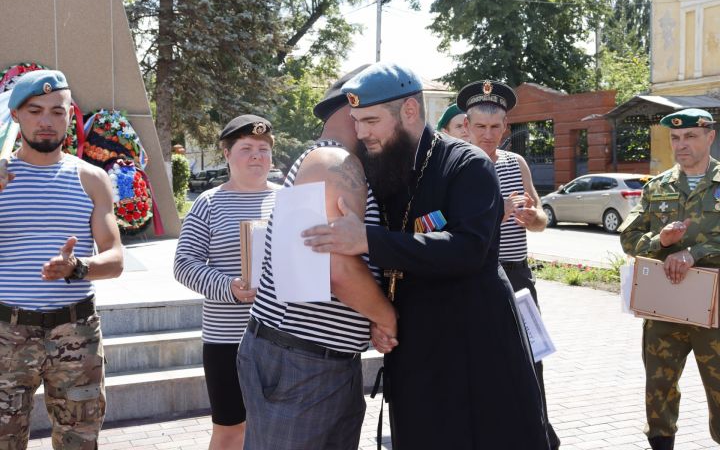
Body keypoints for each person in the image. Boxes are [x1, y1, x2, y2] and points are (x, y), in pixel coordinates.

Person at [302, 62, 550, 450]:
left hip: (475, 341)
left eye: (370, 120)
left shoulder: (467, 165)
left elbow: (468, 249)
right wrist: (376, 314)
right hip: (415, 342)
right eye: (356, 121)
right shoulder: (380, 163)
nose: (361, 132)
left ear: (410, 112)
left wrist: (367, 240)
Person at [237, 65, 397, 450]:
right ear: (353, 108)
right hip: (301, 365)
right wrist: (387, 317)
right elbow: (337, 269)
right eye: (379, 113)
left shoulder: (331, 161)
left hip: (311, 361)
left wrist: (369, 318)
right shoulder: (335, 163)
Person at [0, 70, 124, 449]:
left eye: (58, 111)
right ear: (16, 115)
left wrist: (77, 268)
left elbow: (115, 258)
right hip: (7, 332)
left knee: (79, 443)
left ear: (70, 116)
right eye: (35, 110)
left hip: (75, 332)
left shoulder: (90, 178)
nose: (46, 121)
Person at [457, 79, 560, 449]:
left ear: (505, 128)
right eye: (480, 127)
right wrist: (498, 213)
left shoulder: (516, 163)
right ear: (466, 126)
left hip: (516, 276)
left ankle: (539, 435)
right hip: (474, 277)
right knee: (479, 365)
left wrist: (533, 218)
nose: (488, 135)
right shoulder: (454, 164)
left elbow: (541, 219)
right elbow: (440, 225)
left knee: (531, 359)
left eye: (495, 127)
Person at [173, 114, 278, 449]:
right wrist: (229, 287)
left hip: (282, 337)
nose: (256, 156)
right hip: (228, 340)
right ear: (227, 154)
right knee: (232, 430)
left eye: (263, 149)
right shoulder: (208, 203)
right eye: (246, 148)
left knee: (278, 429)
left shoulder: (289, 200)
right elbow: (184, 264)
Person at [619, 108, 720, 450]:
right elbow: (629, 238)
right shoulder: (657, 187)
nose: (681, 144)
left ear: (710, 136)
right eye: (675, 138)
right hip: (665, 309)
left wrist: (695, 252)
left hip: (715, 311)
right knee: (658, 392)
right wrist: (660, 242)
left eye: (690, 136)